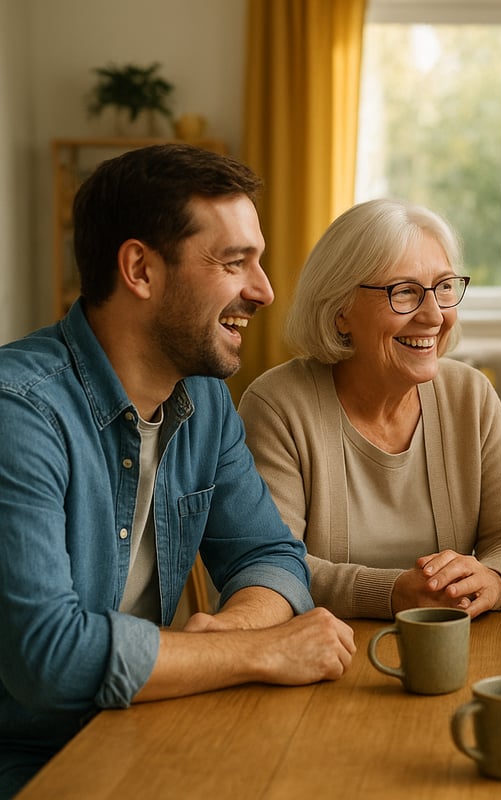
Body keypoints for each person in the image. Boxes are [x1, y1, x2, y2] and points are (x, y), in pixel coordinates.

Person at [0, 143, 356, 798]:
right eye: (233, 262)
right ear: (140, 269)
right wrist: (258, 651)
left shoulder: (204, 402)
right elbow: (48, 660)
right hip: (28, 759)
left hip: (145, 722)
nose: (265, 290)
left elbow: (271, 556)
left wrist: (228, 632)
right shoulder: (18, 413)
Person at [238, 199, 501, 621]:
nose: (434, 315)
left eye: (443, 287)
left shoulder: (469, 394)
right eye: (404, 292)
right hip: (320, 651)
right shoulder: (278, 404)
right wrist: (391, 593)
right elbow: (268, 566)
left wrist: (491, 577)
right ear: (340, 310)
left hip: (451, 644)